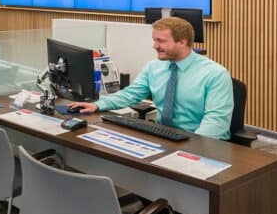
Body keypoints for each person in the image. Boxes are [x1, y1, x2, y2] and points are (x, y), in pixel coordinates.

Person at [68, 16, 234, 140]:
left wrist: (191, 149)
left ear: (182, 42)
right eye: (155, 40)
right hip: (165, 135)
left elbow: (215, 124)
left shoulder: (215, 74)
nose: (155, 46)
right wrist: (97, 105)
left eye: (161, 41)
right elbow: (131, 94)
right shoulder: (154, 67)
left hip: (199, 141)